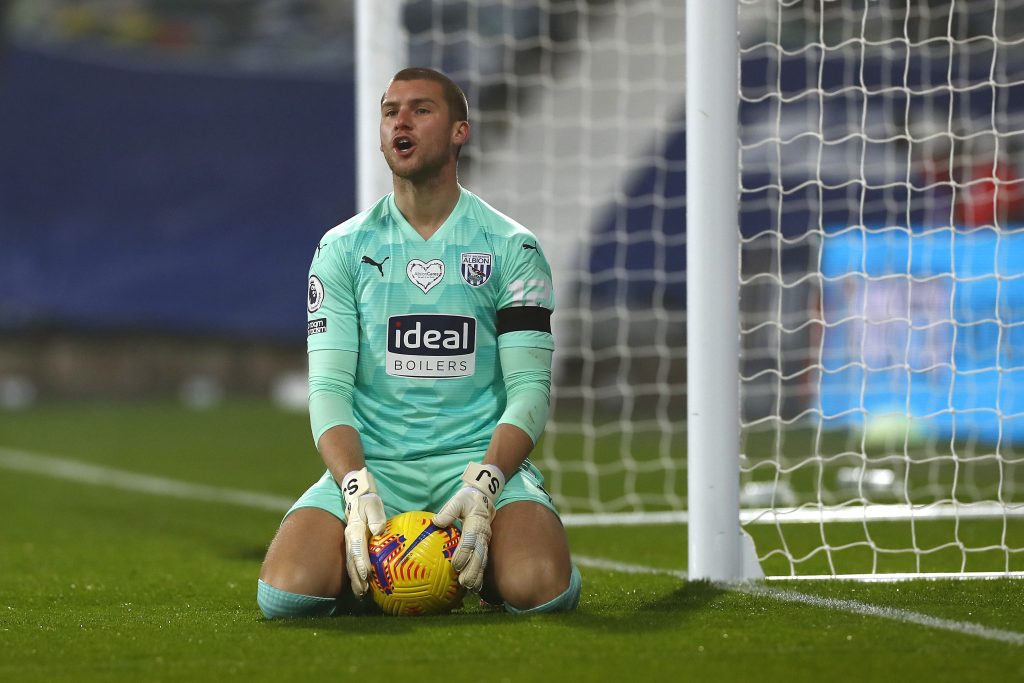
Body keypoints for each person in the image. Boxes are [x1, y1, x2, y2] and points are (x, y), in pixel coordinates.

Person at [257, 67, 581, 617]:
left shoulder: (512, 248)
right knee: (287, 596)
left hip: (478, 464)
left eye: (420, 109)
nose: (400, 121)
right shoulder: (341, 249)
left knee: (540, 591)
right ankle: (381, 571)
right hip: (376, 468)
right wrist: (355, 485)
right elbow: (329, 388)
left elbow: (529, 389)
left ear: (460, 131)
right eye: (390, 111)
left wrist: (488, 481)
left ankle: (500, 559)